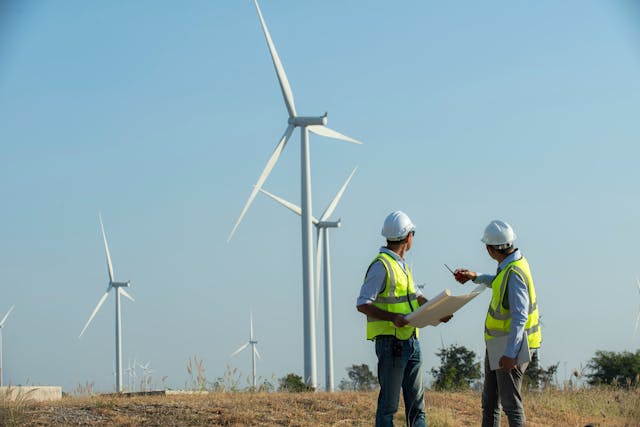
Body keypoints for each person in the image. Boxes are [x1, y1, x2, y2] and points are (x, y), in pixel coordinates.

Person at [357, 211, 451, 427]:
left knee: (417, 408)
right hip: (391, 344)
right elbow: (362, 303)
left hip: (410, 341)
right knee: (388, 408)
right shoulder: (381, 265)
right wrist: (393, 318)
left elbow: (416, 297)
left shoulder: (402, 266)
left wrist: (439, 310)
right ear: (408, 236)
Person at [454, 220, 541, 427]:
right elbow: (498, 281)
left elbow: (520, 316)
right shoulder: (511, 265)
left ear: (490, 249)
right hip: (498, 344)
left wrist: (511, 353)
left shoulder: (514, 273)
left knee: (510, 404)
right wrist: (475, 277)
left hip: (511, 346)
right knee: (490, 401)